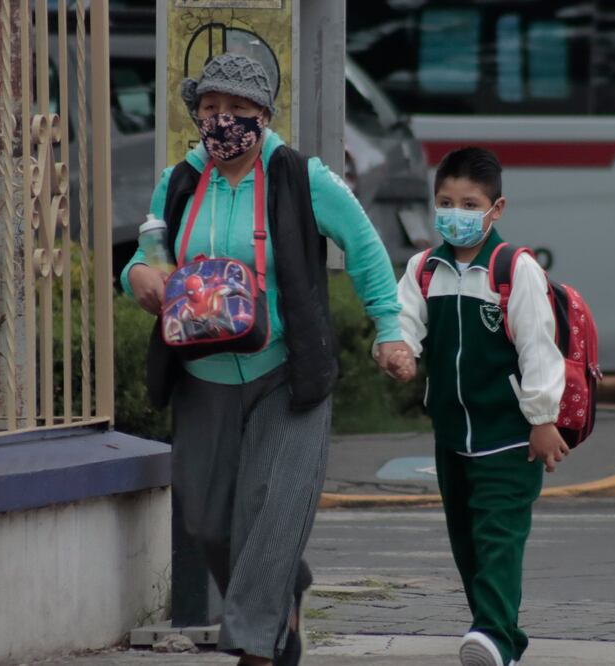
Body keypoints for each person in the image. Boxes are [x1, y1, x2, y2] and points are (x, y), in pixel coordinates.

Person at [121, 53, 412, 666]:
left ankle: (257, 649)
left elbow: (364, 249)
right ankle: (285, 588)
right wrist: (138, 276)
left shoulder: (303, 179)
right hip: (200, 374)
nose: (223, 121)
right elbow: (148, 256)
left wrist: (390, 331)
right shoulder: (179, 181)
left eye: (238, 109)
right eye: (210, 108)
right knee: (207, 524)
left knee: (272, 513)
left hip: (286, 372)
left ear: (264, 115)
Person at [390, 146, 569, 666]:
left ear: (496, 208)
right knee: (467, 541)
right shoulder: (424, 269)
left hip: (509, 437)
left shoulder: (514, 269)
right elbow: (404, 322)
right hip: (451, 435)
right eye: (446, 203)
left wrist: (543, 419)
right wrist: (398, 349)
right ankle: (501, 637)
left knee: (498, 538)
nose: (457, 214)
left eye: (470, 204)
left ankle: (491, 634)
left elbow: (539, 348)